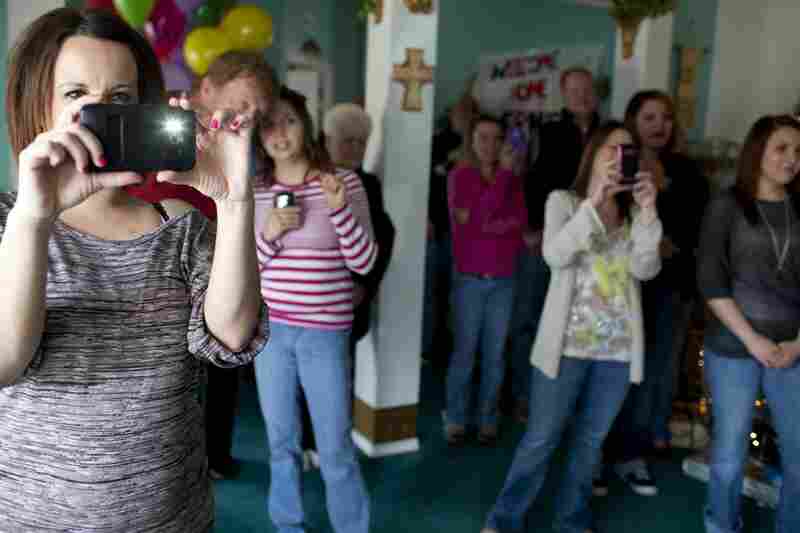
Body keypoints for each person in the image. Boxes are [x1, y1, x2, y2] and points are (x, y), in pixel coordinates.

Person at [0, 7, 267, 532]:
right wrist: (34, 217)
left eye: (120, 98)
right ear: (39, 108)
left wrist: (235, 201)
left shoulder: (179, 224)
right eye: (76, 94)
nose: (101, 113)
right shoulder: (10, 223)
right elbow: (5, 361)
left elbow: (234, 336)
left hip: (173, 519)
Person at [481, 121, 662, 533]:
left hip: (617, 352)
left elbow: (645, 269)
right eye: (612, 149)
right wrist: (594, 204)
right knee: (541, 438)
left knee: (590, 443)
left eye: (628, 151)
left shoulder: (636, 214)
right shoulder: (563, 201)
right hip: (565, 348)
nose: (619, 157)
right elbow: (555, 255)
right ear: (593, 155)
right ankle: (503, 519)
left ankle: (572, 520)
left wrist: (649, 212)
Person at [127, 50, 278, 480]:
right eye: (243, 102)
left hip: (218, 259)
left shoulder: (237, 143)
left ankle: (216, 456)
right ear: (207, 88)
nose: (248, 117)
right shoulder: (151, 122)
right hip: (149, 263)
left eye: (257, 112)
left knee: (224, 366)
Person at [253, 87, 374, 533]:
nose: (279, 133)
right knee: (281, 443)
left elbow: (364, 263)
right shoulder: (257, 191)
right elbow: (244, 269)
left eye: (289, 120)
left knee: (335, 446)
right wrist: (269, 234)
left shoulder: (343, 182)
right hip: (272, 333)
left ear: (306, 125)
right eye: (269, 124)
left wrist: (339, 210)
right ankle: (288, 525)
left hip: (325, 332)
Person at [600, 90, 710, 497]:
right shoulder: (618, 165)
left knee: (656, 372)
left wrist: (668, 230)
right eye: (649, 117)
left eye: (665, 117)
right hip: (624, 286)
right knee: (615, 371)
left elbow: (699, 226)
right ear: (632, 121)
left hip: (672, 286)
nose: (659, 125)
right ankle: (597, 454)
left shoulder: (686, 170)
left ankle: (633, 453)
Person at [697, 114, 800, 533]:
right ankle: (722, 525)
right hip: (733, 346)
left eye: (799, 151)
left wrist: (797, 344)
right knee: (729, 453)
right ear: (757, 151)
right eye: (782, 148)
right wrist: (753, 340)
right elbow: (710, 279)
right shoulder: (727, 204)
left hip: (792, 348)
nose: (792, 159)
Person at [288, 103, 395, 469]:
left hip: (344, 303)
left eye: (361, 142)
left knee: (336, 380)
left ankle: (327, 446)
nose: (354, 148)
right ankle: (304, 443)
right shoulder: (307, 177)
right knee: (298, 378)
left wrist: (364, 284)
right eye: (347, 141)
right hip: (301, 299)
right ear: (326, 139)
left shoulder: (369, 184)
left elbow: (381, 239)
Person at [507, 66, 601, 420]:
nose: (581, 96)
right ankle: (522, 396)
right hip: (543, 237)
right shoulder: (545, 131)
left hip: (589, 243)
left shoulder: (606, 134)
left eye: (586, 89)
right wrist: (530, 228)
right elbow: (526, 181)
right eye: (574, 91)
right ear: (564, 94)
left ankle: (565, 403)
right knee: (528, 318)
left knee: (576, 323)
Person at [445, 115, 527, 446]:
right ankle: (456, 417)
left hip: (504, 278)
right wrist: (492, 218)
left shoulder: (513, 180)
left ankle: (487, 419)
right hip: (470, 278)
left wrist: (488, 224)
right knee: (465, 352)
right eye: (483, 137)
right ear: (472, 140)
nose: (490, 145)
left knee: (495, 354)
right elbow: (471, 221)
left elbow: (518, 224)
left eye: (497, 138)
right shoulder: (460, 176)